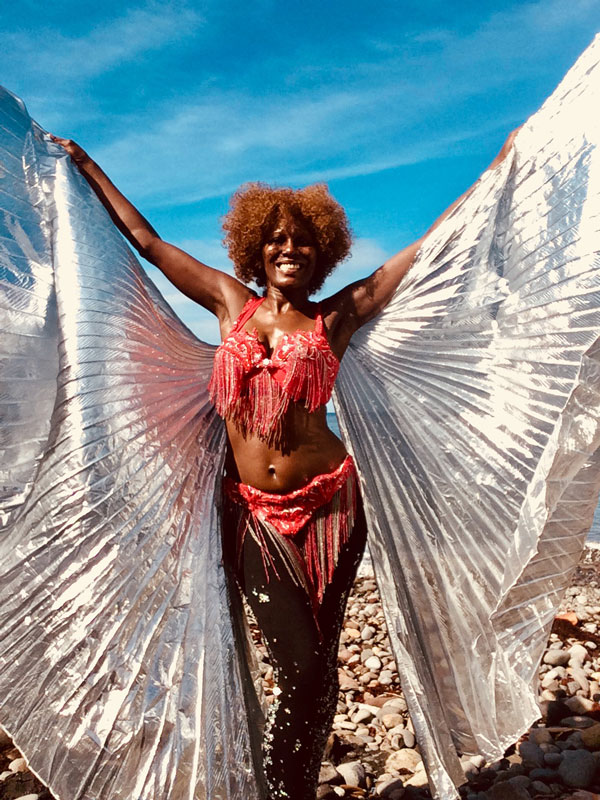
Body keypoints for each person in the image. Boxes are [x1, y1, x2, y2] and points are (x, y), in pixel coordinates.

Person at [47, 129, 519, 800]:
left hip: (333, 508)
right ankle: (281, 788)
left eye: (301, 241)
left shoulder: (336, 318)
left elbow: (424, 250)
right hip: (252, 515)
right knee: (299, 665)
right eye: (275, 240)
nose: (288, 248)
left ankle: (287, 788)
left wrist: (496, 171)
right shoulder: (227, 303)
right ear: (256, 251)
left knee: (317, 667)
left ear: (321, 252)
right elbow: (148, 243)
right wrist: (85, 164)